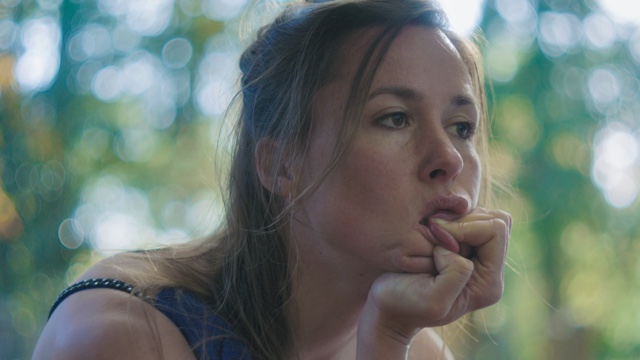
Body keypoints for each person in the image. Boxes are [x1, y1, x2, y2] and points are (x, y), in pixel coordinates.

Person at [33, 0, 511, 359]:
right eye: (394, 118)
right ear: (282, 164)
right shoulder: (122, 335)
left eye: (461, 127)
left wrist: (387, 339)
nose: (448, 158)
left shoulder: (416, 345)